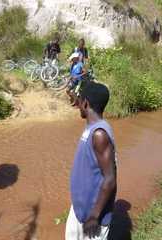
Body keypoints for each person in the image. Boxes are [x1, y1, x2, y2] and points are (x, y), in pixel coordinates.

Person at [66, 82, 117, 240]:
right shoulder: (91, 127)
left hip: (92, 217)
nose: (77, 104)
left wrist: (94, 216)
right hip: (80, 210)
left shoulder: (99, 134)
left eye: (80, 101)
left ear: (86, 103)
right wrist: (74, 95)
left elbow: (110, 179)